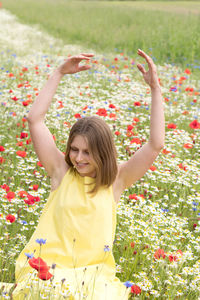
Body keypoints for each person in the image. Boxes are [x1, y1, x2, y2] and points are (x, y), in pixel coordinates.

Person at [13, 50, 164, 299]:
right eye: (74, 149)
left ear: (103, 153)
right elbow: (35, 120)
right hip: (48, 270)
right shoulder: (60, 173)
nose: (79, 158)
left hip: (93, 277)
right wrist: (58, 73)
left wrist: (155, 89)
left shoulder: (118, 180)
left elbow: (156, 144)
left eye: (87, 152)